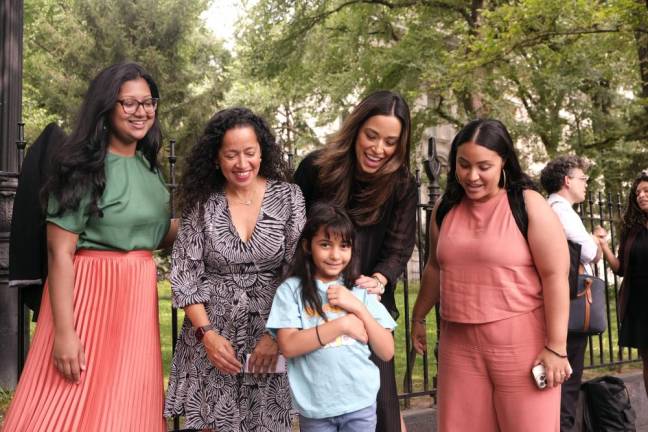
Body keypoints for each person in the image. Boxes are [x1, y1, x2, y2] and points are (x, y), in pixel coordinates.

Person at [3, 62, 177, 431]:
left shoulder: (150, 169)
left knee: (127, 400)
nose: (141, 111)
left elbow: (151, 234)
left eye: (148, 102)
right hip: (88, 297)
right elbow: (59, 251)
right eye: (128, 103)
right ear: (106, 106)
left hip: (136, 299)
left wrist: (214, 221)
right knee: (64, 404)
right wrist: (64, 333)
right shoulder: (81, 168)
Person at [410, 119, 572, 431]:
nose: (471, 176)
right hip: (458, 346)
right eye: (463, 164)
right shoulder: (445, 208)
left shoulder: (527, 204)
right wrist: (418, 317)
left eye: (483, 166)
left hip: (522, 345)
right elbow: (435, 266)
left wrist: (556, 346)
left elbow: (555, 276)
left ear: (504, 163)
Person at [164, 107, 306, 431]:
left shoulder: (289, 197)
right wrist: (207, 336)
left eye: (249, 153)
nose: (242, 164)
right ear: (216, 158)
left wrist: (276, 336)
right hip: (212, 339)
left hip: (270, 335)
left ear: (262, 152)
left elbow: (297, 272)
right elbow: (185, 273)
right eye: (231, 155)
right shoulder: (202, 202)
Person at [293, 90, 416, 432]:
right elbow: (293, 236)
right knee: (323, 411)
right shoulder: (316, 170)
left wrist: (380, 279)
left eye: (390, 141)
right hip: (316, 309)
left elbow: (399, 246)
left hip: (368, 309)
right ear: (356, 130)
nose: (379, 149)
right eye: (372, 136)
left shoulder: (402, 184)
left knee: (380, 412)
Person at [266, 203, 396, 432]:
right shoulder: (291, 291)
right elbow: (288, 345)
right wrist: (343, 324)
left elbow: (386, 351)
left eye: (344, 246)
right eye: (325, 245)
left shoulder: (359, 291)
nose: (335, 255)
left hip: (360, 405)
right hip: (316, 409)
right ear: (308, 246)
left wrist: (358, 307)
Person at [540, 155, 602, 431]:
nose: (585, 184)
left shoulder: (544, 208)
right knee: (567, 381)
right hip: (570, 304)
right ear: (567, 181)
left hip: (551, 302)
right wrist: (597, 241)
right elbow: (589, 252)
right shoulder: (562, 211)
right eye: (582, 178)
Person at [595, 170, 648, 399]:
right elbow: (621, 269)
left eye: (646, 191)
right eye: (638, 193)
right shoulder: (631, 229)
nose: (641, 196)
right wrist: (604, 246)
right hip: (639, 302)